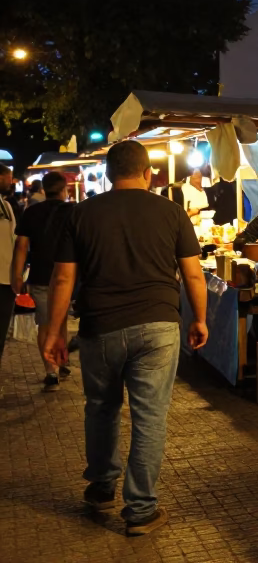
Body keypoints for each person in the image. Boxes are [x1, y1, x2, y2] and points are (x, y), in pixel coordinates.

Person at [44, 141, 207, 535]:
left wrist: (54, 332)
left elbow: (63, 278)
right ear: (148, 173)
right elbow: (193, 273)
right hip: (158, 325)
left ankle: (102, 487)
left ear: (107, 173)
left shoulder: (82, 213)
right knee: (150, 417)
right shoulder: (171, 212)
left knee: (101, 407)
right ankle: (140, 510)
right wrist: (200, 319)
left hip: (100, 326)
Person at [11, 171, 75, 391]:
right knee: (60, 320)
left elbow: (21, 245)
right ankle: (57, 365)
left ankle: (52, 369)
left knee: (46, 323)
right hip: (68, 277)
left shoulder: (32, 212)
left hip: (40, 275)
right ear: (64, 189)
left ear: (43, 190)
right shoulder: (73, 211)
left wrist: (16, 275)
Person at [0, 165, 17, 382]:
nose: (11, 182)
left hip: (6, 279)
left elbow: (14, 240)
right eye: (8, 178)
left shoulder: (6, 206)